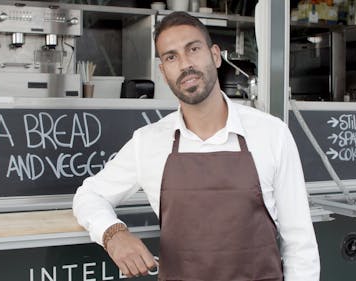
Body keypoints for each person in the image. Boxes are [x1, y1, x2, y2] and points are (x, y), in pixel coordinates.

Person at [73, 11, 320, 281]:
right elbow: (89, 196)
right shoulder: (149, 141)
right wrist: (113, 234)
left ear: (215, 55)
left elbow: (300, 245)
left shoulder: (272, 134)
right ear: (163, 72)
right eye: (171, 57)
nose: (185, 64)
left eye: (193, 49)